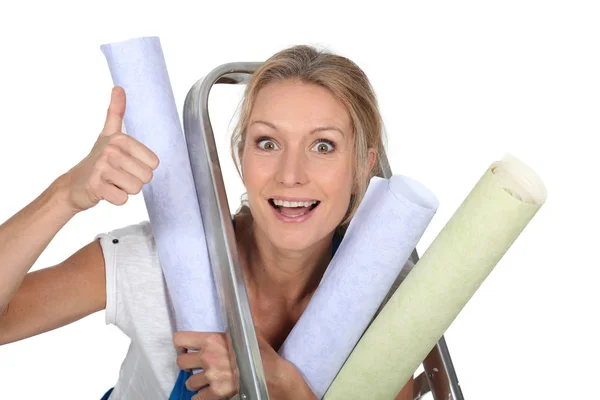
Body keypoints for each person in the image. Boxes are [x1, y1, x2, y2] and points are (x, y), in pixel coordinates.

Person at [0, 45, 415, 399]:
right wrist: (64, 196)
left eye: (323, 146)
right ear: (241, 157)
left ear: (363, 166)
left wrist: (283, 383)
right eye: (267, 143)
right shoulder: (158, 259)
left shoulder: (382, 297)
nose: (291, 174)